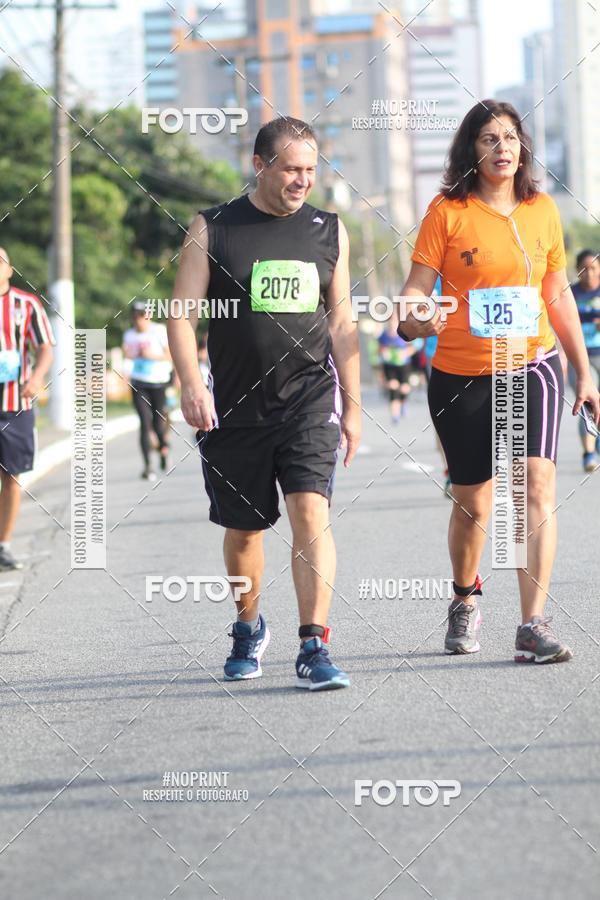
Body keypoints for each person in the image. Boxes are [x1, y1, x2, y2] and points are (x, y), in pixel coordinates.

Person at [397, 100, 599, 663]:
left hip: (532, 364)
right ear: (471, 149)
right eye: (489, 138)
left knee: (536, 484)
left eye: (510, 137)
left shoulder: (541, 210)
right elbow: (413, 295)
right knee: (474, 504)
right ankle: (465, 599)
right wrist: (416, 318)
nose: (502, 147)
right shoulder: (447, 211)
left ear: (522, 148)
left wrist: (585, 371)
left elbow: (556, 294)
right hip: (462, 375)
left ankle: (533, 623)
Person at [168, 117, 361, 691]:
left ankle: (314, 644)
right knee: (244, 532)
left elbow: (342, 321)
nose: (303, 181)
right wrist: (190, 384)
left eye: (311, 169)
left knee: (311, 513)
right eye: (291, 169)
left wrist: (351, 406)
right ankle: (248, 626)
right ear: (260, 165)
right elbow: (181, 315)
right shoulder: (214, 228)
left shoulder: (329, 230)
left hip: (308, 398)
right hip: (234, 406)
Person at [0, 248, 54, 570]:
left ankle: (3, 544)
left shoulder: (26, 304)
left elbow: (45, 345)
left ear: (10, 269)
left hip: (14, 404)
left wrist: (36, 377)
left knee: (11, 476)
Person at [122, 301, 172, 481]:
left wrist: (152, 356)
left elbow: (169, 355)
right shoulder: (129, 335)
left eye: (141, 316)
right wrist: (126, 373)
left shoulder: (159, 331)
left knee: (159, 424)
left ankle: (164, 448)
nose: (138, 320)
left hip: (158, 383)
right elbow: (126, 356)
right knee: (144, 422)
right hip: (139, 383)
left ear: (148, 316)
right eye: (135, 316)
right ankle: (147, 466)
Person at [568, 249, 600, 471]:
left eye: (594, 268)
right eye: (584, 269)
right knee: (588, 402)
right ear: (578, 271)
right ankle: (589, 453)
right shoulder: (569, 294)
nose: (589, 274)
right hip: (580, 357)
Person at [377, 318, 416, 423]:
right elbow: (379, 349)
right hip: (389, 365)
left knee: (404, 388)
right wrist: (383, 352)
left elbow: (413, 348)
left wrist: (405, 353)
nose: (392, 326)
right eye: (390, 324)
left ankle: (403, 403)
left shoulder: (403, 334)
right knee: (393, 386)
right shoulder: (384, 336)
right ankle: (395, 415)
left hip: (404, 365)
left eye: (394, 324)